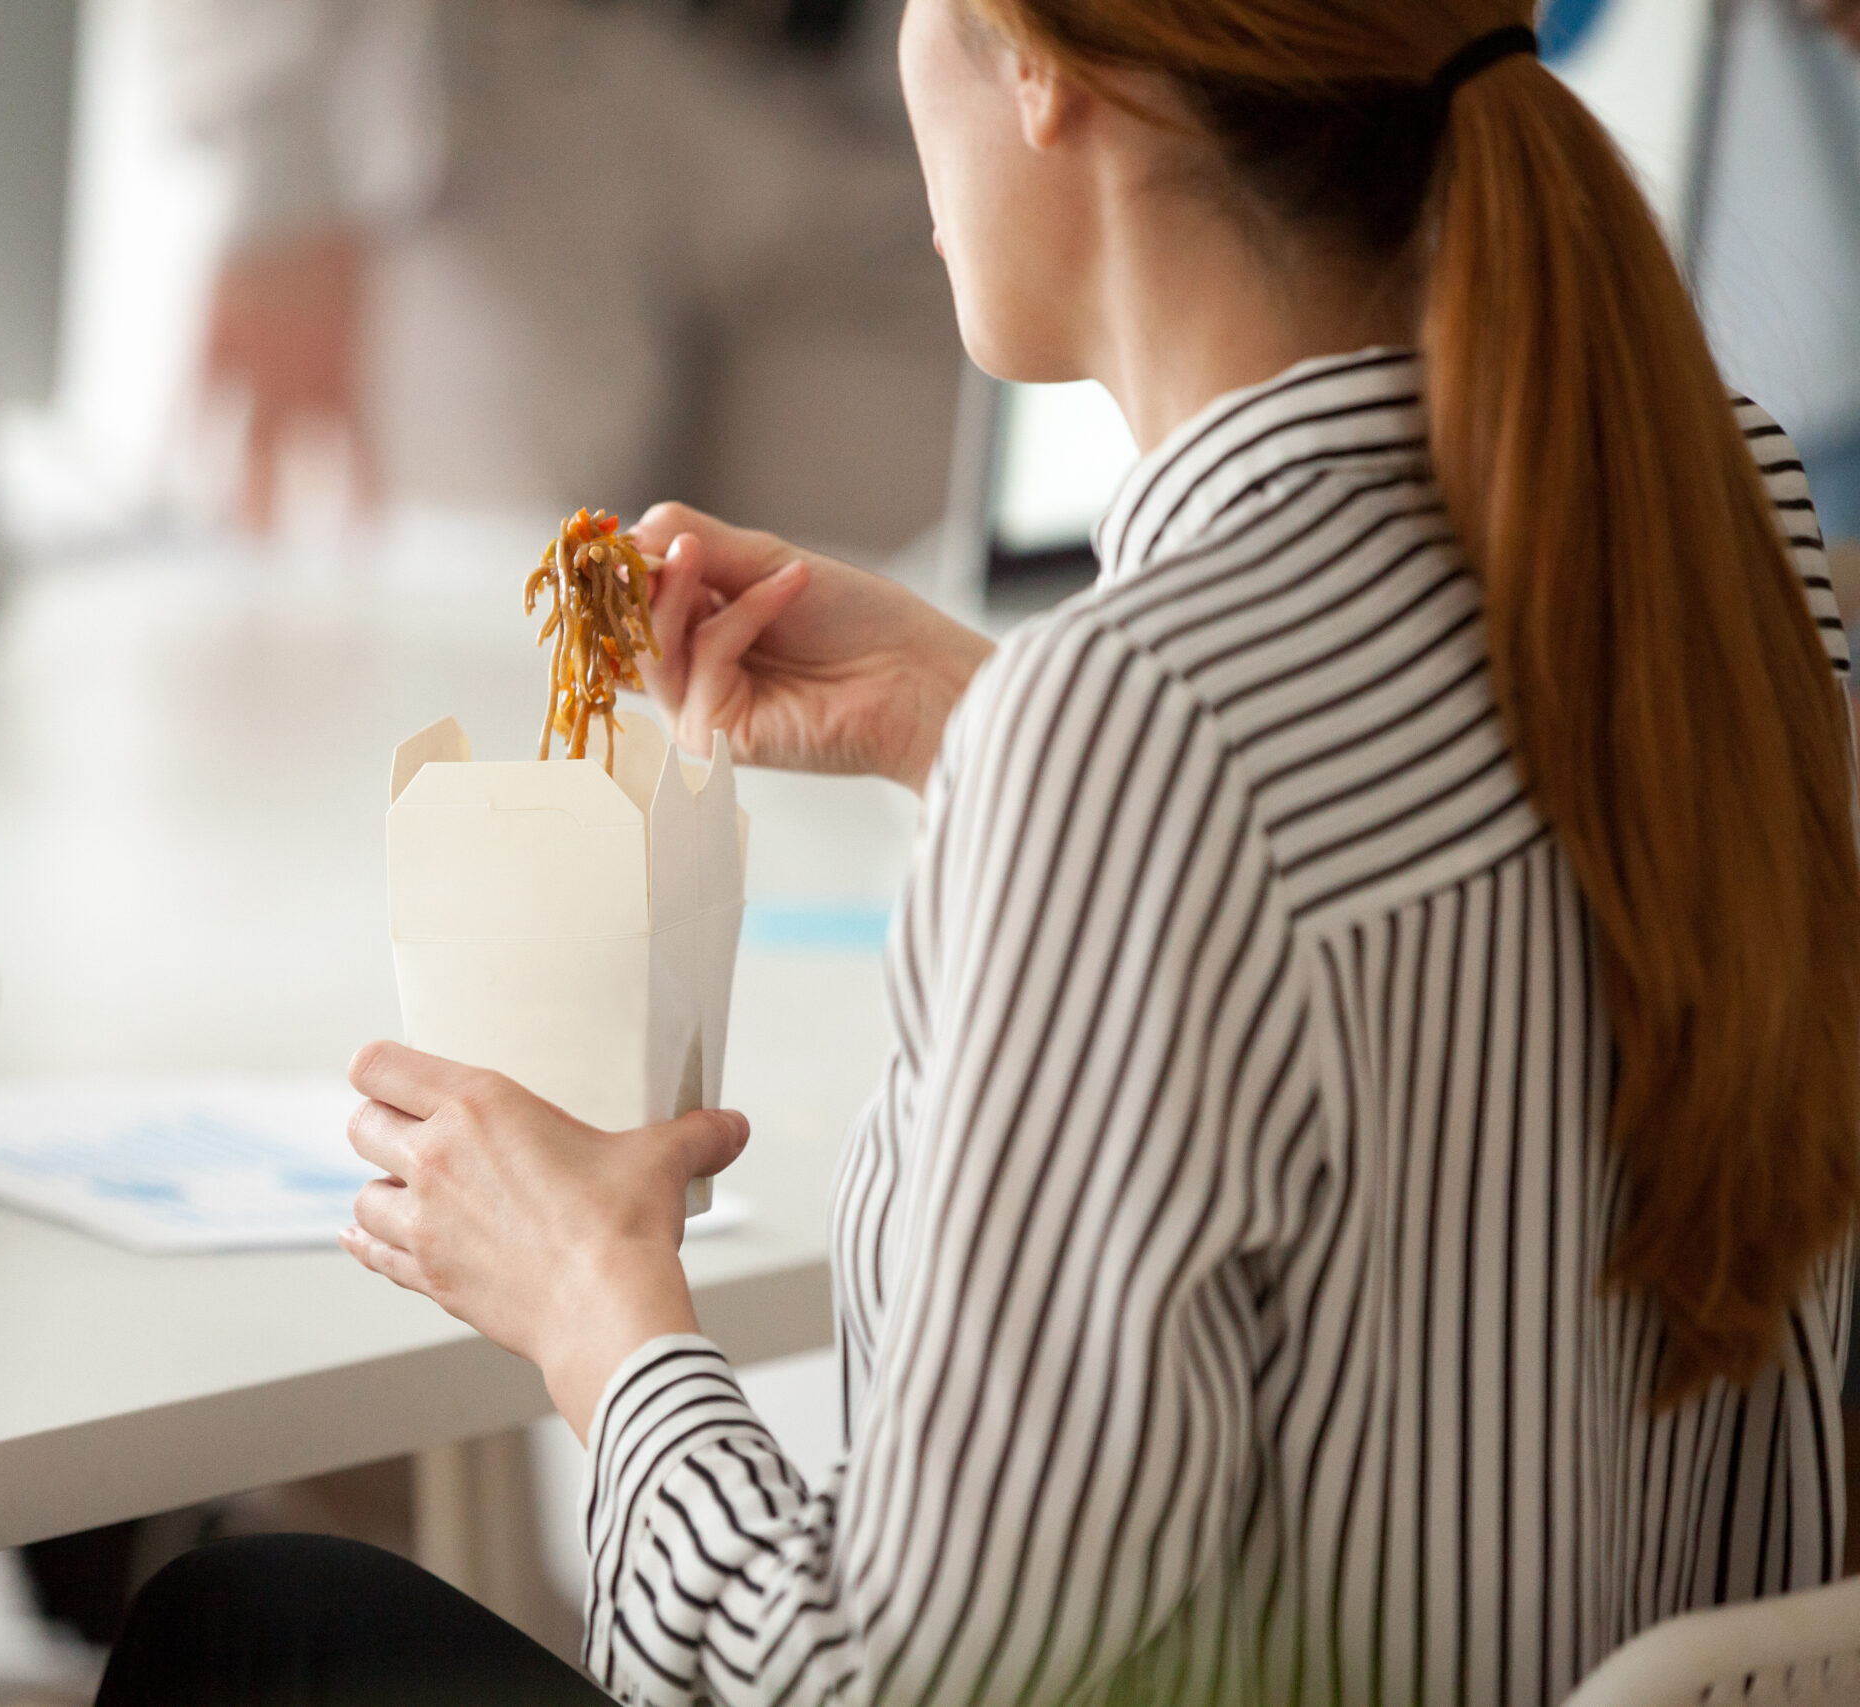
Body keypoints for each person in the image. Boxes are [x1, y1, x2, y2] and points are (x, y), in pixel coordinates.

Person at [99, 0, 1860, 1701]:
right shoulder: (1733, 535)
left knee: (245, 1628)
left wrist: (601, 1311)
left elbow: (892, 1673)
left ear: (1042, 72)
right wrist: (980, 712)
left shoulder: (1132, 730)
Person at [155, 0, 964, 554]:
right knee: (476, 661)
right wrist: (281, 159)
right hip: (521, 117)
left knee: (841, 672)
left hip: (887, 129)